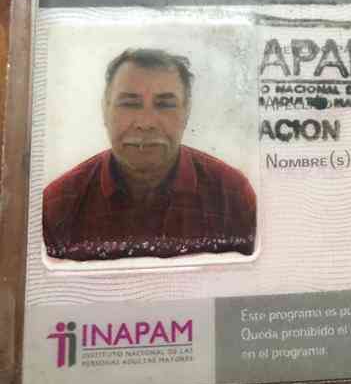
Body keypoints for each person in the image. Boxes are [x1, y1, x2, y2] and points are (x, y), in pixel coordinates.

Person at [43, 48, 257, 261]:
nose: (146, 123)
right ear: (105, 109)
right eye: (129, 104)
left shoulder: (232, 197)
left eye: (165, 105)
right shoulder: (58, 206)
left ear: (187, 111)